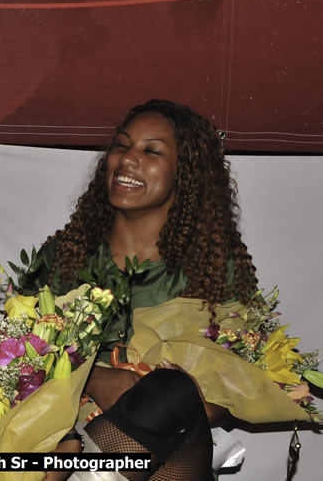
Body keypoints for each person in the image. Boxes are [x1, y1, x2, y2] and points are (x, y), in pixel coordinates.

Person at [26, 100, 258, 480]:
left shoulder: (215, 267)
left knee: (170, 391)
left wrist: (193, 403)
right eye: (121, 145)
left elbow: (247, 389)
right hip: (66, 444)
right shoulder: (62, 258)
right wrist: (96, 379)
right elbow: (13, 360)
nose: (128, 160)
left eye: (151, 151)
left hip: (175, 457)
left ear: (185, 174)